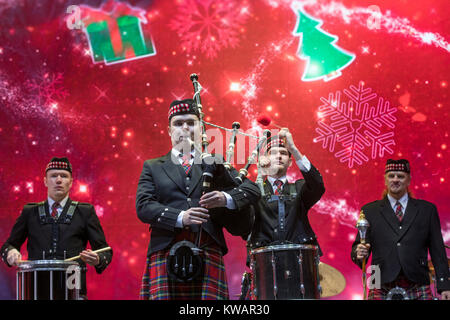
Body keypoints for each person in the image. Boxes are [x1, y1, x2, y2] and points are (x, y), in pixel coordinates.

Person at [136, 99, 260, 300]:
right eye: (178, 123)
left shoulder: (213, 162)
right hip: (165, 252)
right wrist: (181, 217)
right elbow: (143, 206)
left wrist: (225, 197)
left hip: (206, 250)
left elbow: (252, 190)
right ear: (169, 130)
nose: (184, 128)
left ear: (200, 127)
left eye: (191, 122)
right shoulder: (153, 166)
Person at [1, 157, 112, 299]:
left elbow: (106, 252)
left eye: (64, 176)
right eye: (53, 176)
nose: (58, 180)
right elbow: (8, 246)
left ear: (71, 182)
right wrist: (11, 252)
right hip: (35, 291)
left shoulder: (85, 212)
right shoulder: (30, 212)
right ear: (45, 181)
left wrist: (97, 259)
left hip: (73, 291)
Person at [351, 159, 450, 300]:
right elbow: (359, 247)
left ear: (409, 180)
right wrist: (358, 253)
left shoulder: (427, 210)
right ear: (385, 179)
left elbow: (438, 251)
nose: (395, 180)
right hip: (380, 281)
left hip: (417, 282)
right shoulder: (369, 211)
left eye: (400, 176)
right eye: (391, 176)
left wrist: (445, 285)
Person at [245, 128, 325, 299]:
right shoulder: (252, 190)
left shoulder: (300, 188)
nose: (279, 156)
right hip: (265, 270)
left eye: (284, 153)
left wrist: (294, 149)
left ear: (290, 162)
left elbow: (318, 185)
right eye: (273, 153)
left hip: (300, 268)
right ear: (263, 161)